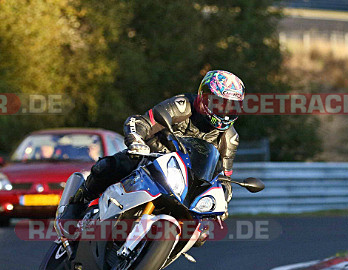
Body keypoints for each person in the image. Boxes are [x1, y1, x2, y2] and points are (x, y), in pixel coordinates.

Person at [64, 70, 245, 221]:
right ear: (204, 97)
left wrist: (223, 198)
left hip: (185, 182)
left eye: (232, 106)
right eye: (220, 104)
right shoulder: (182, 105)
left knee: (200, 232)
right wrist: (136, 140)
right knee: (110, 166)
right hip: (150, 158)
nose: (226, 112)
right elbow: (141, 122)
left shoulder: (229, 138)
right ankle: (78, 202)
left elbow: (224, 176)